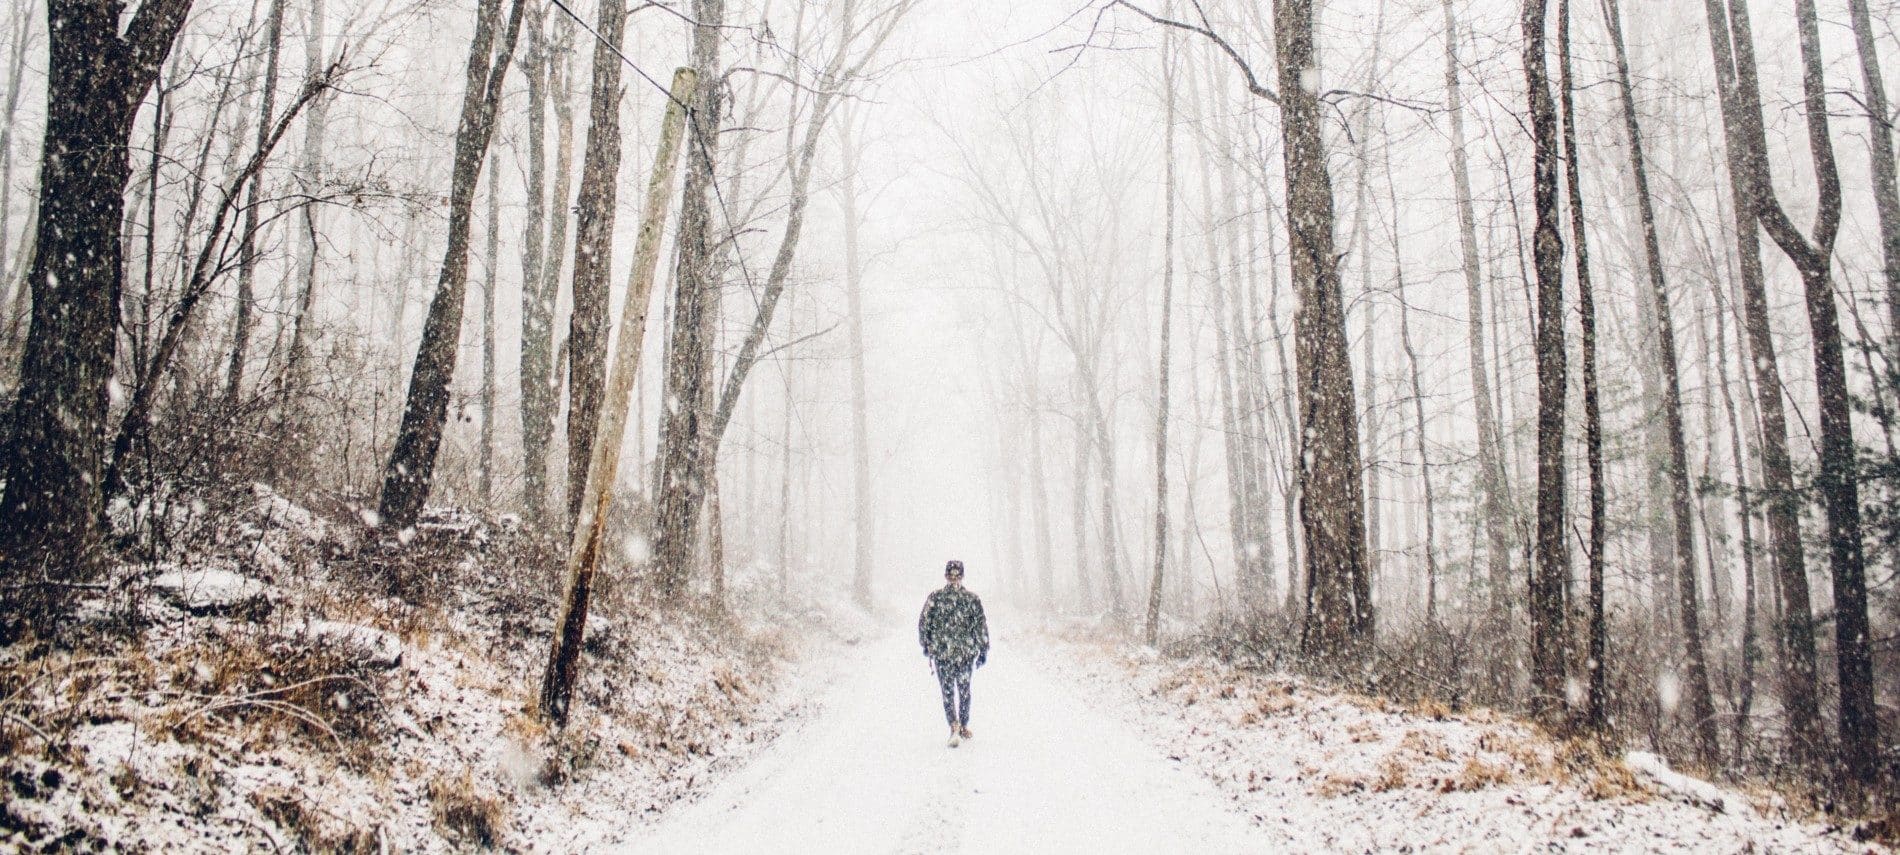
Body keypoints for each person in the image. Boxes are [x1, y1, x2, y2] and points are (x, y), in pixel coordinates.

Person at [918, 559, 989, 747]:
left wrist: (983, 648)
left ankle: (961, 725)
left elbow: (980, 626)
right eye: (951, 575)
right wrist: (926, 643)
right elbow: (924, 624)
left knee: (961, 691)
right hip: (946, 655)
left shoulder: (968, 600)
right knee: (952, 691)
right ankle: (955, 725)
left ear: (962, 576)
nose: (954, 579)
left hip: (961, 655)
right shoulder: (939, 598)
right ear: (946, 576)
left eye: (957, 575)